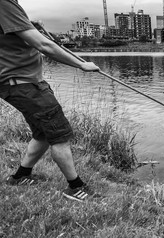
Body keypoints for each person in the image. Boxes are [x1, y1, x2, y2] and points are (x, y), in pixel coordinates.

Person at [0, 0, 101, 202]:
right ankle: (75, 187)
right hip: (24, 84)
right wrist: (81, 64)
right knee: (59, 135)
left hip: (25, 83)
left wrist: (30, 24)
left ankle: (21, 176)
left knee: (43, 133)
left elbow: (25, 38)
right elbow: (43, 44)